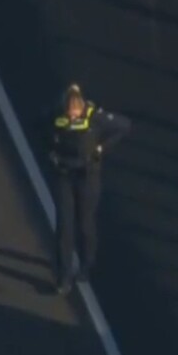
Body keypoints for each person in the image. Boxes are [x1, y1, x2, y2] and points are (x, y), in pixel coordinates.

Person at [49, 83, 132, 295]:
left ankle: (86, 264)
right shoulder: (56, 115)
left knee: (85, 223)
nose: (73, 118)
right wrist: (50, 151)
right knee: (64, 226)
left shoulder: (95, 118)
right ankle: (63, 276)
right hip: (64, 173)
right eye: (70, 114)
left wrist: (101, 148)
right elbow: (39, 127)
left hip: (87, 176)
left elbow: (124, 126)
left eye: (76, 113)